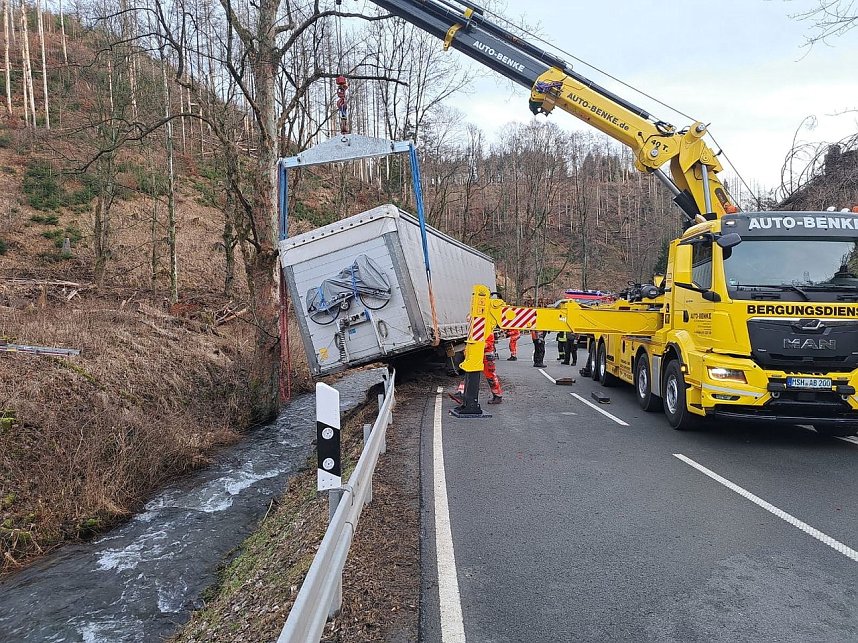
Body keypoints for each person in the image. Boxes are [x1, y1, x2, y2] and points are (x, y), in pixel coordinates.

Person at [450, 332, 503, 405]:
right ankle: (461, 393)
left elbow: (487, 344)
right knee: (469, 375)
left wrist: (475, 346)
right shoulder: (479, 330)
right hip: (479, 356)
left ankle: (497, 396)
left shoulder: (487, 331)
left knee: (490, 377)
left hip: (486, 357)